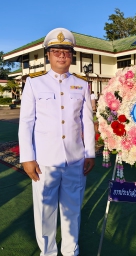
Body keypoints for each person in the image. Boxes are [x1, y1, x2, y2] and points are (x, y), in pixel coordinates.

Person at [19, 28, 95, 256]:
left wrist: (90, 152)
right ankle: (48, 253)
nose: (62, 55)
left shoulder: (81, 84)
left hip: (74, 159)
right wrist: (27, 158)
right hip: (44, 161)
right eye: (56, 51)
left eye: (66, 52)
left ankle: (71, 252)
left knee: (72, 211)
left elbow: (87, 121)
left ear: (72, 56)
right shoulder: (34, 83)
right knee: (45, 212)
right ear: (48, 55)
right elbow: (26, 122)